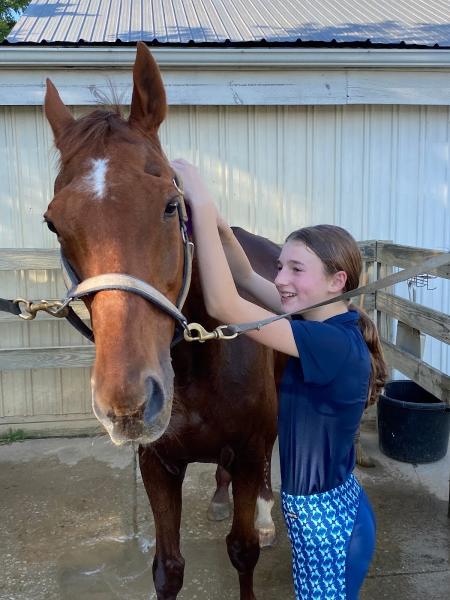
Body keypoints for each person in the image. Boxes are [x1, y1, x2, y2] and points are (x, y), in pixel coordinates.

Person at [171, 159, 387, 600]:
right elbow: (246, 276)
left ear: (337, 281)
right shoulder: (319, 321)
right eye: (282, 266)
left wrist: (200, 195)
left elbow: (225, 304)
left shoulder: (330, 344)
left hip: (329, 526)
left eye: (295, 269)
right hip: (320, 515)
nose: (281, 279)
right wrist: (216, 226)